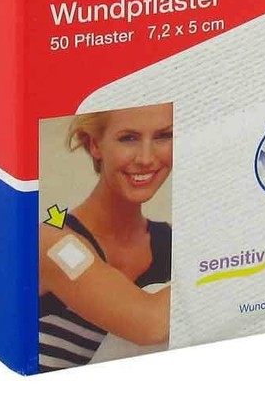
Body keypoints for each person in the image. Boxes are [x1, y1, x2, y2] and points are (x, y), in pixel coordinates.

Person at [38, 103, 173, 372]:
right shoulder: (51, 240)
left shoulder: (172, 242)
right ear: (95, 145)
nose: (146, 158)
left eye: (163, 136)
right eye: (128, 138)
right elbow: (149, 323)